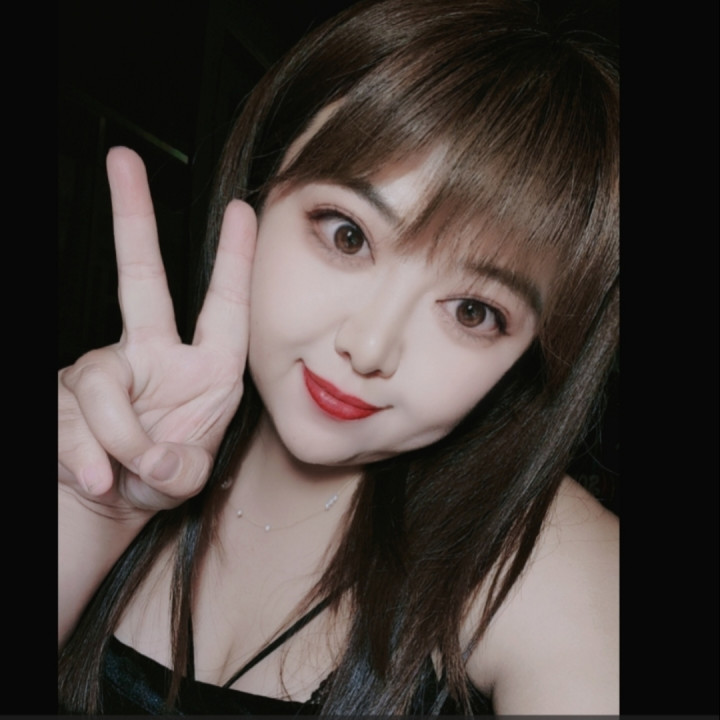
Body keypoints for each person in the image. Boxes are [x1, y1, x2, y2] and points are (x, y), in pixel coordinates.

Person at [58, 0, 619, 714]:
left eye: (473, 312)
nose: (370, 347)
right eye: (348, 235)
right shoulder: (95, 454)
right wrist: (84, 507)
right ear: (262, 186)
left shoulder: (552, 563)